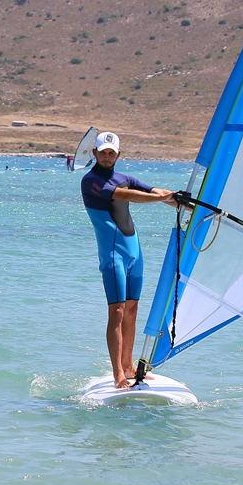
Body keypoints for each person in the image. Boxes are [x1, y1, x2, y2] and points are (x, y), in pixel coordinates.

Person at [80, 132, 176, 388]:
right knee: (118, 311)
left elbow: (157, 191)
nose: (107, 156)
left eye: (112, 153)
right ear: (95, 154)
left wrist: (182, 202)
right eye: (103, 152)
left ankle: (129, 366)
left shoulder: (126, 178)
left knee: (132, 309)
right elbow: (126, 195)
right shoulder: (91, 181)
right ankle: (118, 375)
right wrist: (159, 199)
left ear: (118, 154)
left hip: (134, 252)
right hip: (113, 256)